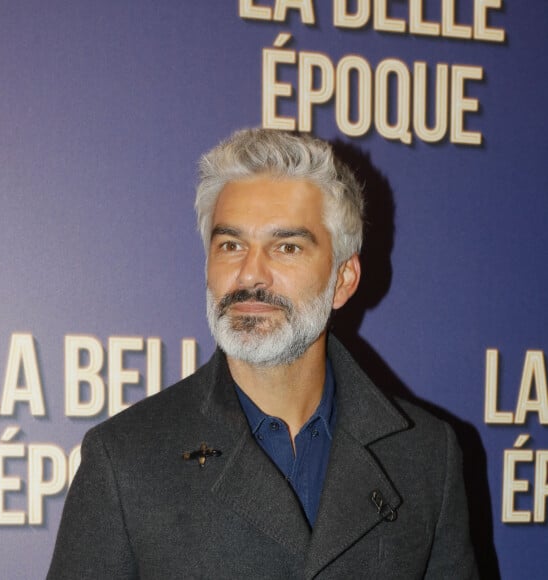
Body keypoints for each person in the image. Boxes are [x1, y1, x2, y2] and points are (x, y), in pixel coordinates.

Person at [48, 129, 478, 579]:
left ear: (344, 279)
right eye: (230, 245)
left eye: (286, 247)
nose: (251, 274)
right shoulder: (124, 460)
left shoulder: (425, 455)